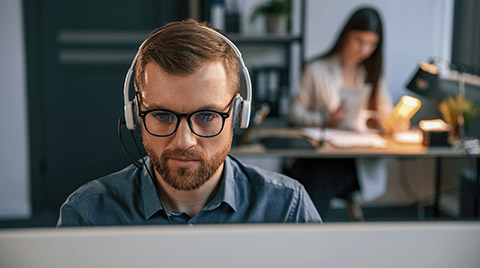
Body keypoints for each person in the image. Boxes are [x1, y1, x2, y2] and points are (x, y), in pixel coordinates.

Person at [57, 19, 321, 226]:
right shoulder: (87, 214)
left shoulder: (288, 207)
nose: (184, 141)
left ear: (238, 114)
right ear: (135, 114)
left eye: (207, 116)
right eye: (162, 115)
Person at [288, 7, 393, 219]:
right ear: (346, 35)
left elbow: (386, 114)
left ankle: (307, 230)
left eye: (372, 44)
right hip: (324, 154)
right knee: (319, 172)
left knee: (319, 177)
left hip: (357, 161)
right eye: (359, 40)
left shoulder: (373, 74)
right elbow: (295, 113)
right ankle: (310, 227)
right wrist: (326, 120)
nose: (364, 49)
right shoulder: (316, 69)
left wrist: (388, 123)